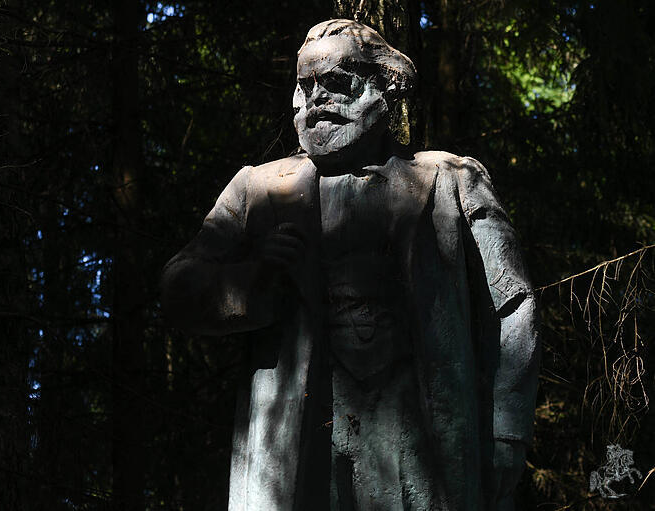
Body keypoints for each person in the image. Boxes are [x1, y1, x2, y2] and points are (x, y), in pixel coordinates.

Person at [161, 19, 539, 511]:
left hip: (421, 442)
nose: (317, 99)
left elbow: (511, 307)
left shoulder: (452, 180)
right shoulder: (258, 189)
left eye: (336, 83)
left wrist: (507, 434)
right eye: (306, 86)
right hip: (298, 445)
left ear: (386, 88)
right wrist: (250, 282)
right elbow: (178, 288)